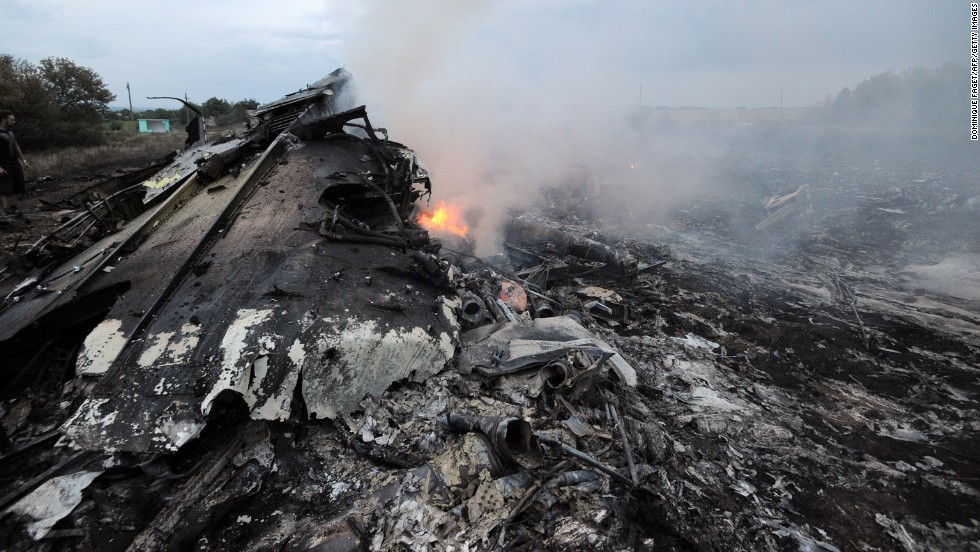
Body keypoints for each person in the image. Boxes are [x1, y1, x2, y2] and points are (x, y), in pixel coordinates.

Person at [0, 110, 30, 215]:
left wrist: (24, 161)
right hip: (4, 163)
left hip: (14, 162)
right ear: (4, 120)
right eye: (11, 119)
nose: (14, 121)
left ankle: (14, 207)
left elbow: (16, 147)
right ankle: (7, 210)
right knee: (6, 189)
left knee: (18, 186)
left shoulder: (11, 131)